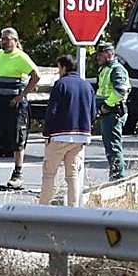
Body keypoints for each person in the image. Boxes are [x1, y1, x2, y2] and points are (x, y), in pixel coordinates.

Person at [0, 27, 40, 190]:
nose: (3, 41)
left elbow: (36, 76)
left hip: (15, 104)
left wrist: (21, 97)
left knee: (17, 138)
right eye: (1, 38)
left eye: (6, 39)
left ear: (15, 40)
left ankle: (17, 174)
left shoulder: (21, 57)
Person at [41, 54, 95, 206]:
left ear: (64, 67)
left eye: (59, 67)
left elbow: (52, 111)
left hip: (59, 135)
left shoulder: (61, 84)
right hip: (81, 136)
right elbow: (92, 112)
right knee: (72, 175)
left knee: (49, 173)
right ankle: (74, 208)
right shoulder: (87, 86)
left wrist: (47, 134)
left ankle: (43, 207)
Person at [94, 40, 131, 181]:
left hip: (113, 112)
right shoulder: (105, 68)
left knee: (113, 147)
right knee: (110, 146)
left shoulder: (116, 69)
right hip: (108, 112)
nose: (98, 57)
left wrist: (107, 106)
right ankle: (115, 175)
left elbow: (120, 91)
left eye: (100, 54)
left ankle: (118, 178)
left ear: (109, 54)